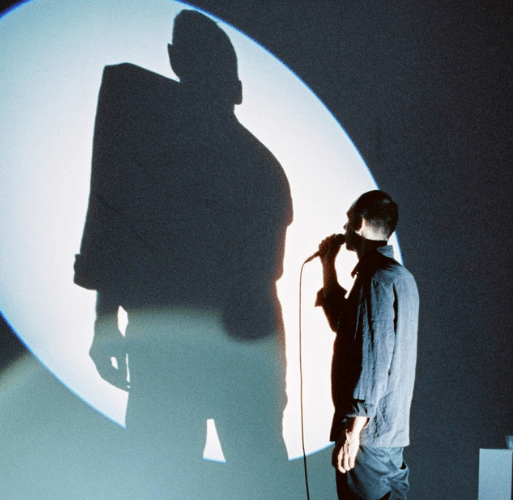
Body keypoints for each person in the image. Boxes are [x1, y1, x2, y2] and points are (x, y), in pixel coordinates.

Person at [74, 9, 292, 498]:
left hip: (183, 346)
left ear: (175, 61)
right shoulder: (262, 169)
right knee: (233, 473)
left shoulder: (153, 155)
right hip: (228, 345)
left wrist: (106, 319)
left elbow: (121, 231)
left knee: (170, 472)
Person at [316, 190, 419, 500]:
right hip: (387, 435)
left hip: (368, 436)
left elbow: (374, 360)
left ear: (359, 224)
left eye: (348, 221)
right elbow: (345, 324)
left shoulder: (375, 279)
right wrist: (328, 265)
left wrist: (353, 431)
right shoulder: (400, 278)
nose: (344, 228)